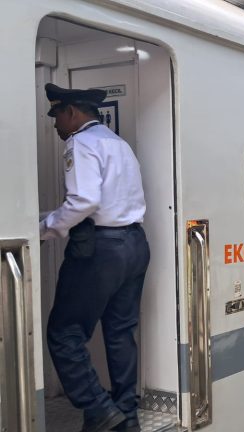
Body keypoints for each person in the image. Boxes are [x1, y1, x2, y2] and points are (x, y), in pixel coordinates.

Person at [40, 84, 149, 432]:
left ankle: (99, 409)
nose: (55, 125)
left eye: (57, 116)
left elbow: (84, 201)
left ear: (71, 112)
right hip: (134, 244)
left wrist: (46, 229)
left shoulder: (81, 143)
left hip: (99, 250)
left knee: (64, 332)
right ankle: (126, 416)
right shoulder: (119, 144)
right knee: (120, 332)